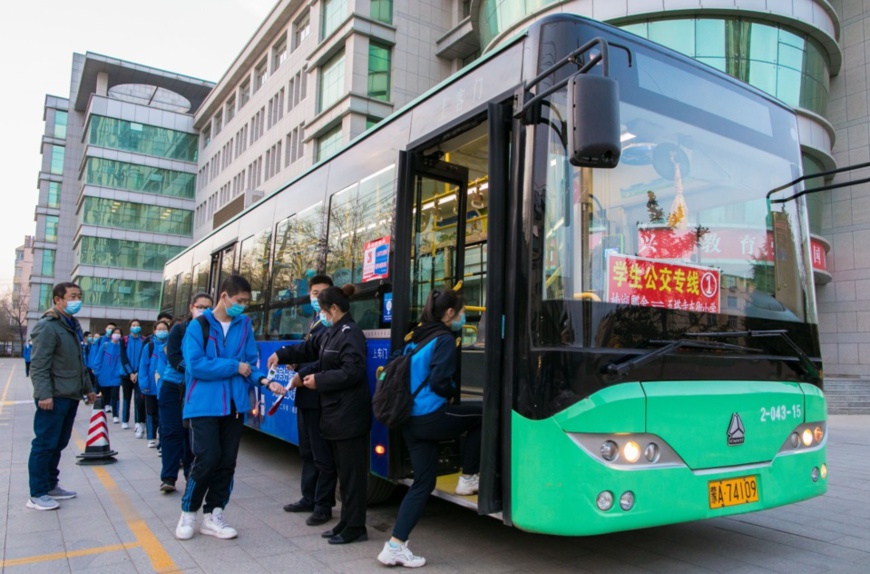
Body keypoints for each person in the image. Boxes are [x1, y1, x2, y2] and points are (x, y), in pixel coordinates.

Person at [377, 288, 482, 568]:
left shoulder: (417, 335)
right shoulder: (445, 339)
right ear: (449, 314)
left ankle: (395, 545)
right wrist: (451, 390)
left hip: (408, 419)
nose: (463, 317)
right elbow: (439, 382)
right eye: (461, 312)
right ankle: (469, 477)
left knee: (424, 483)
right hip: (431, 416)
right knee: (483, 414)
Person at [175, 275, 285, 541]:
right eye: (239, 301)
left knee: (227, 463)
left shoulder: (244, 324)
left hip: (235, 405)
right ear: (224, 296)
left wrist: (265, 381)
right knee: (206, 459)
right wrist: (233, 367)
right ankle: (188, 513)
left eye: (247, 301)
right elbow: (196, 365)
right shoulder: (197, 326)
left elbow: (250, 362)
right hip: (203, 406)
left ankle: (214, 515)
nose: (243, 306)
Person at [269, 284, 370, 545]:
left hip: (350, 416)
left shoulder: (351, 334)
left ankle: (356, 526)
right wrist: (288, 361)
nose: (321, 315)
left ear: (334, 309)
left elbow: (353, 372)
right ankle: (346, 523)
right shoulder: (331, 332)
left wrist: (319, 380)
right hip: (336, 414)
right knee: (344, 475)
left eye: (324, 310)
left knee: (352, 476)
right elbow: (312, 354)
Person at [273, 275, 337, 527]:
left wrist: (300, 368)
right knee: (307, 451)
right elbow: (308, 350)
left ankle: (323, 505)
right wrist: (293, 360)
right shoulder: (314, 321)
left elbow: (326, 359)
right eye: (314, 292)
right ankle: (308, 497)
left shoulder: (331, 324)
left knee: (322, 455)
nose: (317, 297)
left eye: (323, 292)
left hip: (319, 395)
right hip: (305, 396)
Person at [27, 282, 96, 511]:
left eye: (79, 296)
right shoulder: (48, 326)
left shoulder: (71, 326)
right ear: (58, 299)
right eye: (72, 296)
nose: (77, 300)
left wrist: (87, 388)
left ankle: (50, 484)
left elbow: (78, 363)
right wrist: (44, 394)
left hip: (70, 394)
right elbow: (38, 365)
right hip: (53, 396)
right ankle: (37, 493)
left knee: (59, 442)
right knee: (45, 444)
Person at [159, 292, 213, 493]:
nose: (204, 310)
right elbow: (174, 358)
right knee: (172, 433)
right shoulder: (179, 329)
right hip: (173, 388)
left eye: (208, 307)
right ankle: (168, 478)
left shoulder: (213, 331)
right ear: (192, 307)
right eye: (200, 306)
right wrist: (199, 370)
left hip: (196, 390)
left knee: (192, 435)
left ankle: (191, 475)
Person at [139, 319, 170, 448]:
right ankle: (151, 436)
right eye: (159, 329)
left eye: (164, 329)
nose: (162, 331)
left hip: (165, 385)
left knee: (163, 413)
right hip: (151, 385)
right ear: (154, 331)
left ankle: (162, 437)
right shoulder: (149, 346)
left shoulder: (171, 345)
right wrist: (144, 383)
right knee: (151, 411)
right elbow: (143, 366)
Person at [120, 319, 146, 435]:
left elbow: (143, 358)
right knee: (126, 397)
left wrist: (137, 372)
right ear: (129, 327)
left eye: (137, 325)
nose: (135, 327)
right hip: (126, 374)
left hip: (139, 374)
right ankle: (125, 420)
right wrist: (130, 373)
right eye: (133, 325)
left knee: (138, 399)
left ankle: (137, 421)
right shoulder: (124, 340)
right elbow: (123, 358)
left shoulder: (144, 340)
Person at [95, 327, 124, 422]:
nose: (117, 334)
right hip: (104, 374)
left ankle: (115, 415)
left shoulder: (122, 347)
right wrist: (97, 371)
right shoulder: (105, 345)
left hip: (116, 376)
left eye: (119, 333)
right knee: (105, 395)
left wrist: (121, 372)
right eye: (115, 333)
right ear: (111, 334)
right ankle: (103, 412)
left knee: (115, 395)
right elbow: (98, 359)